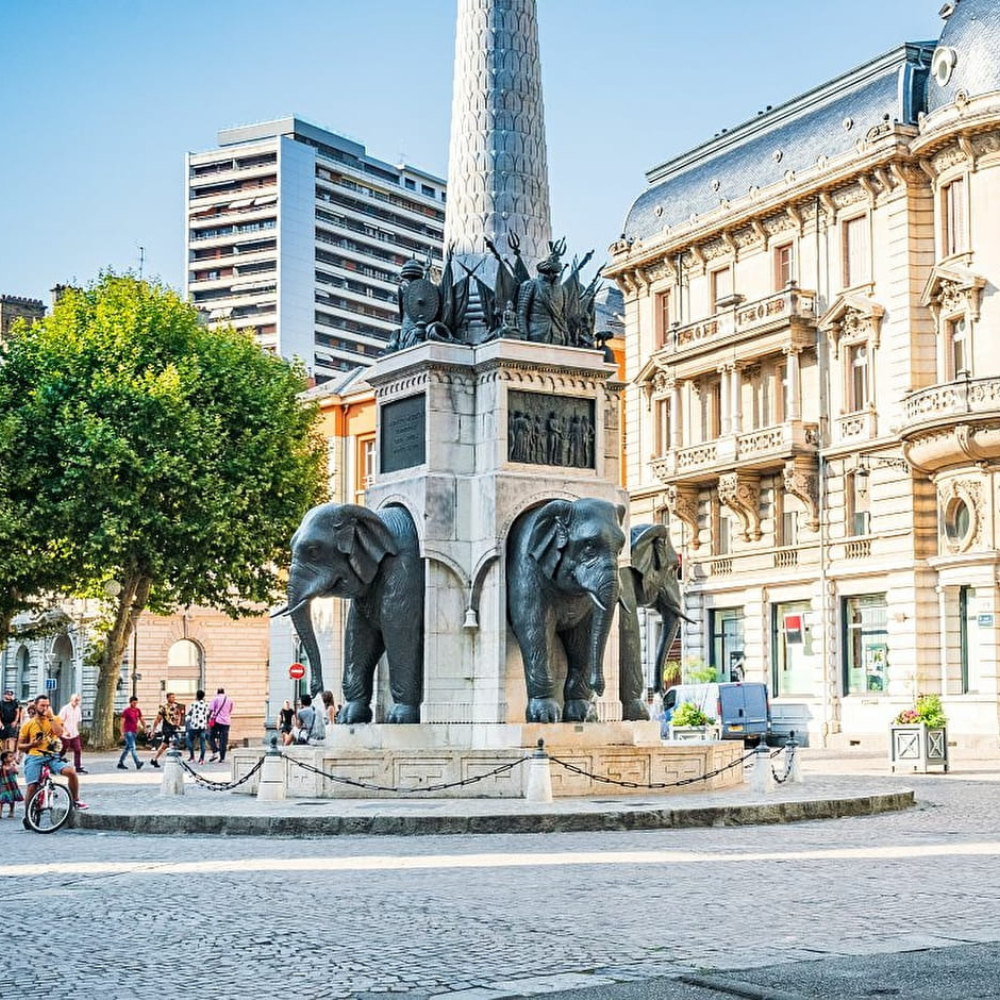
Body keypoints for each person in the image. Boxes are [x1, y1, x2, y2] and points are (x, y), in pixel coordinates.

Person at [18, 694, 85, 821]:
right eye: (42, 705)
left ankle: (75, 799)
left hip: (52, 756)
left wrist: (50, 718)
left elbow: (60, 733)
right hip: (35, 756)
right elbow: (20, 746)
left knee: (71, 772)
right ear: (36, 706)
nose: (45, 708)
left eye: (47, 705)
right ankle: (28, 815)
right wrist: (32, 744)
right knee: (32, 786)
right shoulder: (28, 725)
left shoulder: (55, 719)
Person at [150, 692, 184, 768]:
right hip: (167, 728)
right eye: (172, 697)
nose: (173, 699)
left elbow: (179, 715)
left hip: (173, 728)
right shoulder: (164, 707)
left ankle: (155, 759)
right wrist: (153, 730)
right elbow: (158, 719)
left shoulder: (176, 707)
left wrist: (178, 723)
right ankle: (171, 760)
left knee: (166, 744)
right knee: (169, 743)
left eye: (174, 697)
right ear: (168, 698)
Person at [58, 692, 86, 773]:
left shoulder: (78, 709)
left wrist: (77, 730)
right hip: (65, 733)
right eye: (75, 700)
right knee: (63, 748)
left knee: (78, 749)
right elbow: (60, 722)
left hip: (74, 733)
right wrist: (65, 731)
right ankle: (55, 761)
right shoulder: (65, 709)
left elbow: (78, 721)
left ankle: (77, 766)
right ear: (71, 700)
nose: (77, 702)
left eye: (78, 700)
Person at [117, 696, 145, 770]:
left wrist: (144, 727)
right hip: (128, 731)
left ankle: (120, 763)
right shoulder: (126, 711)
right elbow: (122, 722)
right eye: (133, 703)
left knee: (127, 748)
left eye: (136, 703)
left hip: (134, 731)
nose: (135, 704)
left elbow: (141, 719)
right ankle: (137, 762)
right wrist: (122, 733)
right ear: (130, 702)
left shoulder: (137, 710)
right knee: (133, 747)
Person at [207, 687, 234, 763]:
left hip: (216, 721)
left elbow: (211, 709)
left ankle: (215, 751)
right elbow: (230, 710)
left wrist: (208, 718)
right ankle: (222, 757)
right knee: (223, 740)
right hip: (226, 722)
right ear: (224, 692)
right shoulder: (229, 699)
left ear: (217, 692)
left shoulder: (215, 699)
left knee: (211, 736)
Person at [185, 689, 209, 764]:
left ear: (196, 696)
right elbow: (208, 714)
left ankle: (192, 756)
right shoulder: (206, 704)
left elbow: (190, 713)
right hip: (202, 726)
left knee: (189, 739)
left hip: (194, 725)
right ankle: (201, 759)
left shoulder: (193, 704)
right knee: (202, 742)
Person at [0, 750, 23, 817]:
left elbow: (17, 772)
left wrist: (15, 769)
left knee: (12, 799)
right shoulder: (1, 768)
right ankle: (0, 812)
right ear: (5, 759)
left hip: (12, 785)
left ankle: (11, 811)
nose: (12, 758)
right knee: (1, 799)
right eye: (10, 756)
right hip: (3, 785)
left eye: (12, 756)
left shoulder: (12, 766)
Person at [1, 689, 21, 758]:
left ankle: (11, 754)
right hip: (4, 722)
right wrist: (0, 723)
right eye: (8, 695)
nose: (10, 696)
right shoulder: (1, 703)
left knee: (12, 738)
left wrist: (15, 721)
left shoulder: (14, 703)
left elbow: (17, 712)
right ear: (5, 695)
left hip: (12, 722)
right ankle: (4, 754)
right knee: (4, 740)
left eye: (11, 695)